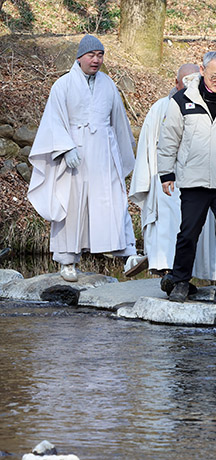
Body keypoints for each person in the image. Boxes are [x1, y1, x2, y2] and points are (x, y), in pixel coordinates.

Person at [27, 34, 136, 282]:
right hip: (74, 155)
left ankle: (128, 252)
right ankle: (67, 261)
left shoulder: (108, 84)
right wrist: (66, 148)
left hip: (103, 154)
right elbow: (54, 120)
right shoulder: (63, 85)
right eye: (91, 55)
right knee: (71, 204)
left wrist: (119, 155)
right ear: (79, 57)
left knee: (113, 199)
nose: (96, 60)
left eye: (100, 55)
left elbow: (118, 121)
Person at [157, 51, 216, 305]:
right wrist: (166, 173)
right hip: (193, 178)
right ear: (202, 70)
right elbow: (169, 139)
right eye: (214, 75)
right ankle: (180, 282)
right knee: (188, 232)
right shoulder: (181, 100)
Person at [127, 63, 216, 285]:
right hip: (167, 178)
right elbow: (148, 146)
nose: (189, 86)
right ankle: (167, 271)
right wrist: (147, 180)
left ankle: (190, 275)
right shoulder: (160, 108)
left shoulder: (210, 105)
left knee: (196, 225)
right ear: (176, 83)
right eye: (184, 82)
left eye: (194, 80)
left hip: (199, 177)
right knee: (167, 225)